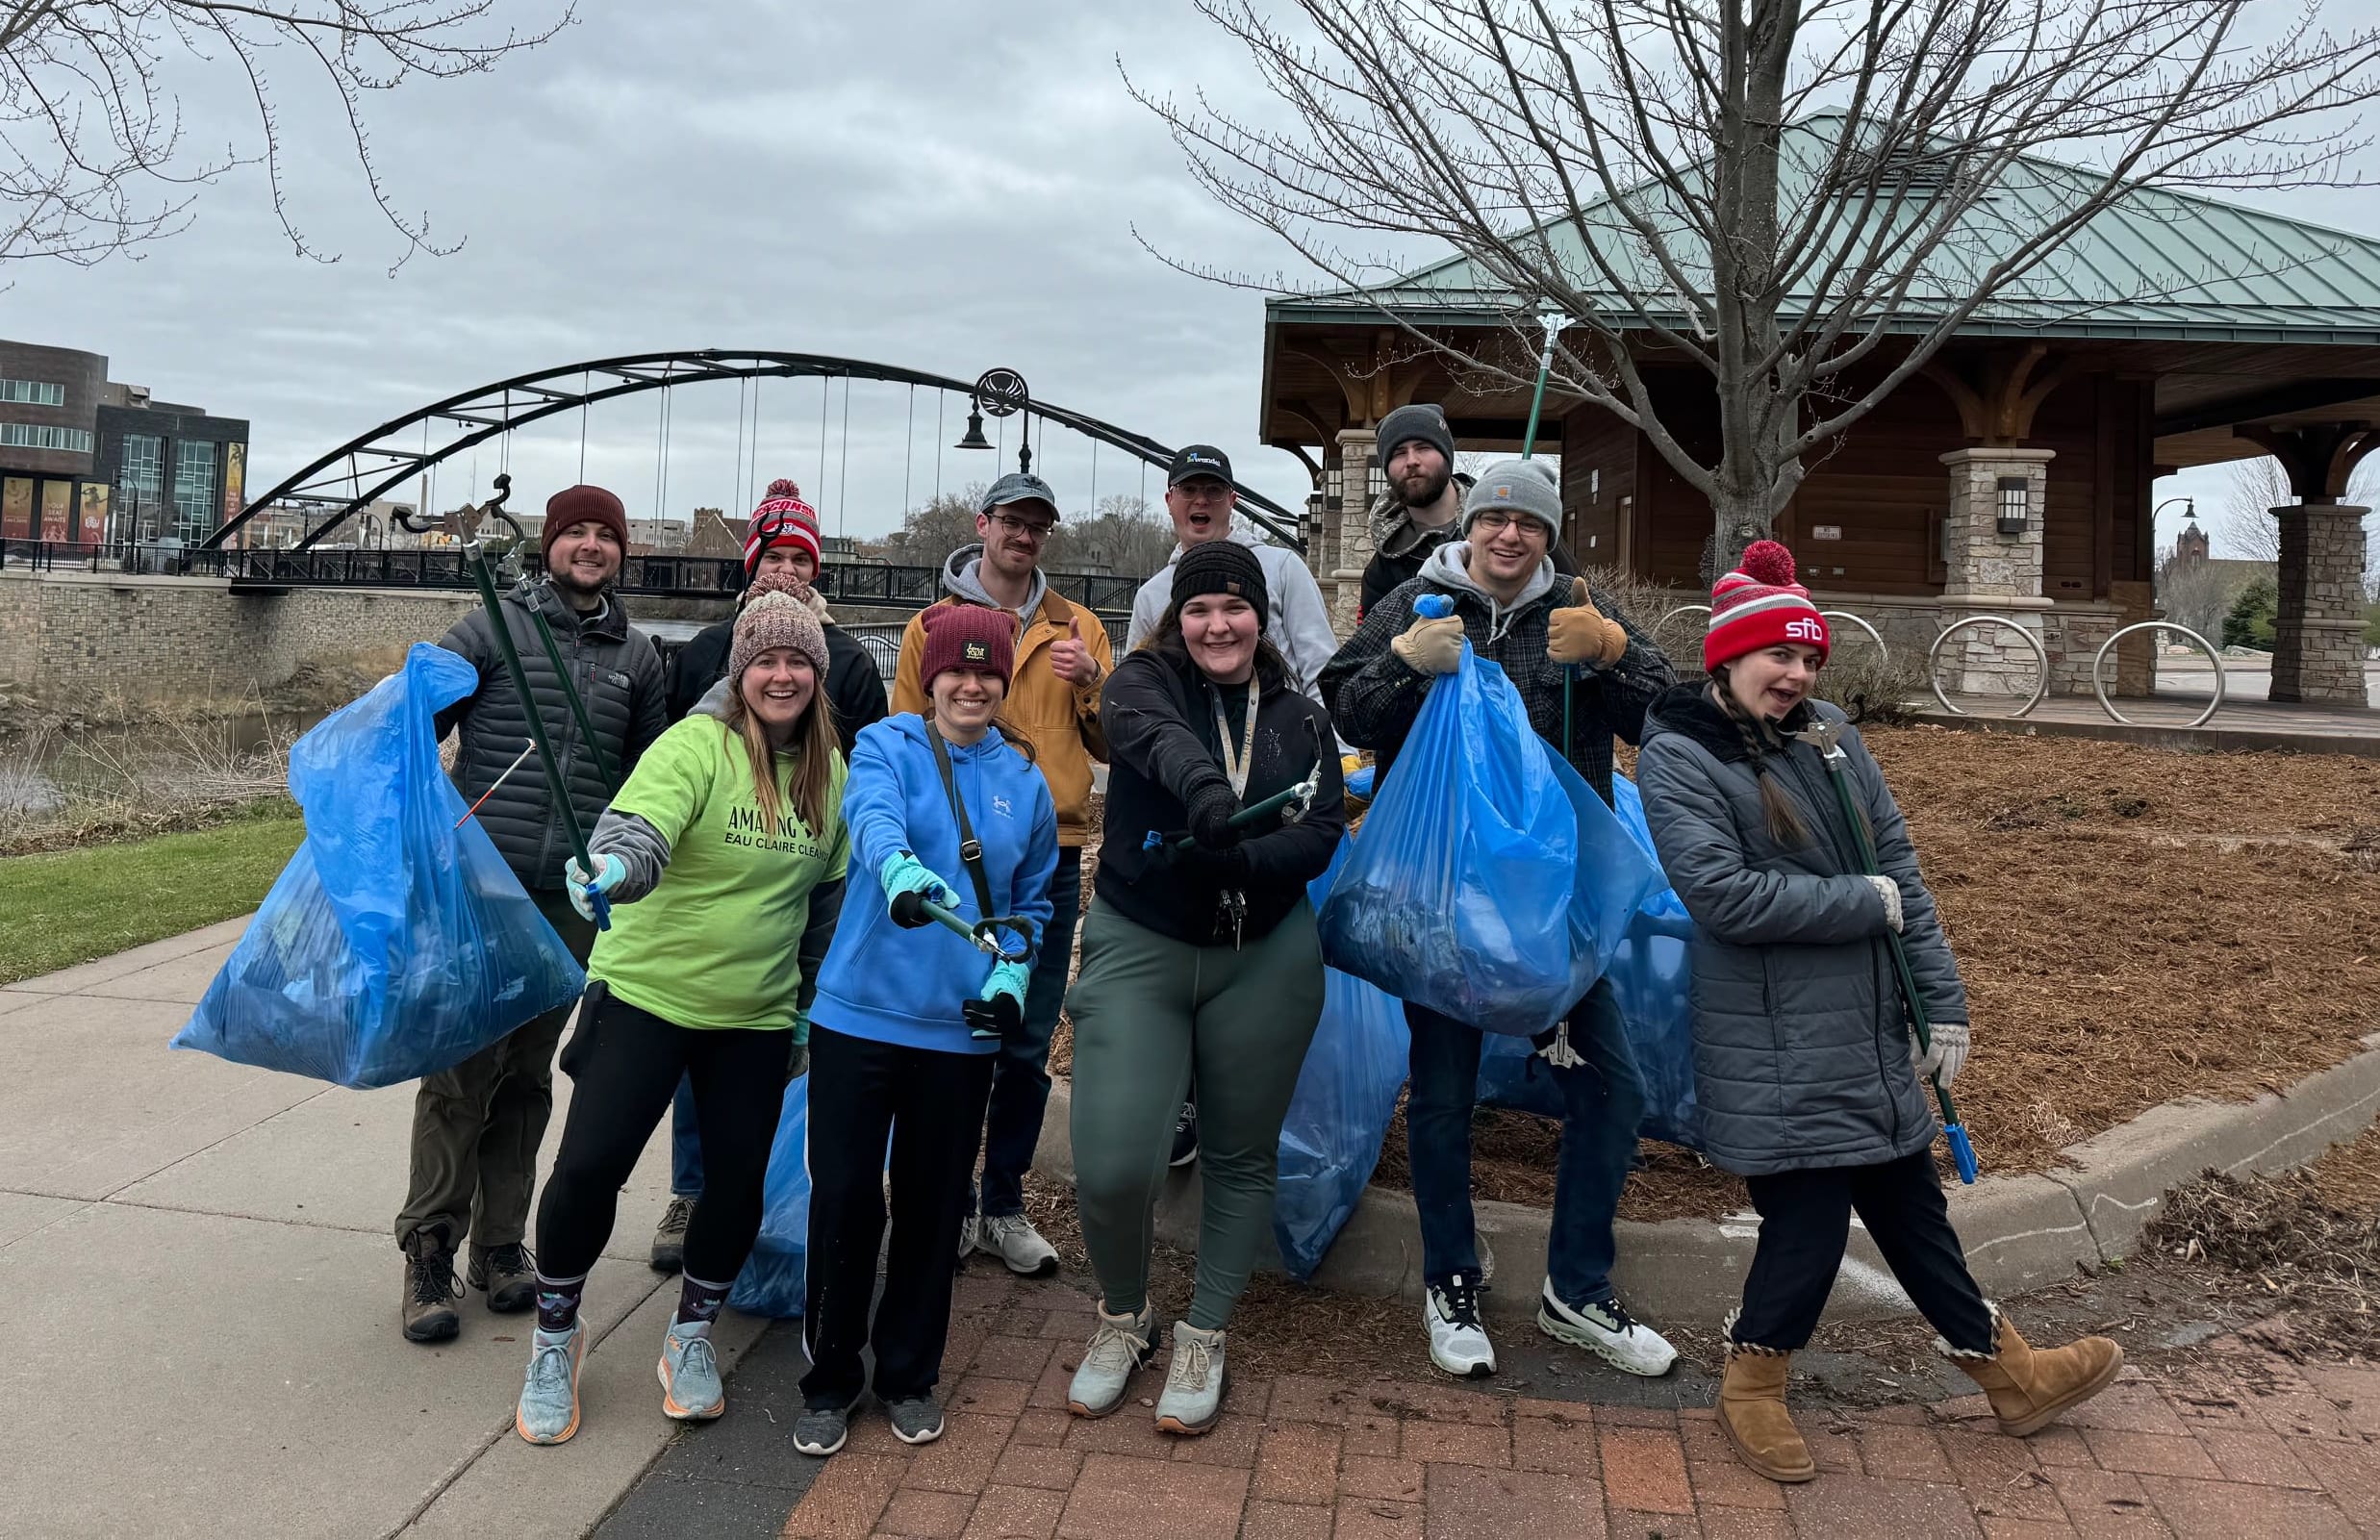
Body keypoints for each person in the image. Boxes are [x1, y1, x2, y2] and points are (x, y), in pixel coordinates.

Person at [1634, 540, 2121, 1484]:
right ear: (1727, 658)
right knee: (1809, 1218)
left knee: (1910, 1207)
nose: (1796, 674)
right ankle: (1751, 1384)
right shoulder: (1680, 754)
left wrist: (1939, 1005)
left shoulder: (1828, 735)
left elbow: (1899, 870)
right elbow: (1724, 896)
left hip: (1863, 1027)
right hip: (1773, 1036)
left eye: (1809, 657)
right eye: (1777, 654)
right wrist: (1860, 902)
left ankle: (2009, 1372)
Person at [1320, 458, 1677, 1382]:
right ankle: (1450, 1280)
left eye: (1530, 523)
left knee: (1613, 1089)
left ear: (1550, 536)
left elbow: (1667, 716)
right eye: (1494, 519)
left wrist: (1612, 652)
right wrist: (1405, 663)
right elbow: (1345, 706)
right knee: (1444, 1094)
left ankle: (1578, 1287)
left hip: (1555, 908)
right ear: (1469, 527)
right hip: (1445, 900)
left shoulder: (1579, 605)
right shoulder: (1417, 601)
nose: (1509, 535)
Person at [510, 570, 850, 1445]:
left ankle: (691, 1333)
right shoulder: (695, 746)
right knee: (589, 1168)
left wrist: (806, 1011)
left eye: (798, 661)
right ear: (741, 671)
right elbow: (642, 830)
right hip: (648, 992)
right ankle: (556, 1336)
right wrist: (614, 869)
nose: (782, 675)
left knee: (733, 1185)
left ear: (817, 674)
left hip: (755, 1013)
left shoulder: (830, 773)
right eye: (765, 660)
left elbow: (824, 907)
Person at [1066, 542, 1345, 1436]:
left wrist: (1242, 859)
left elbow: (1322, 832)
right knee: (1113, 1163)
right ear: (1174, 619)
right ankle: (1124, 1314)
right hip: (1144, 939)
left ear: (1262, 617)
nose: (1217, 625)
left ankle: (1205, 1330)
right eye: (1199, 610)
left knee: (1239, 1151)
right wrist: (1204, 795)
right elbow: (1158, 740)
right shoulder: (1140, 683)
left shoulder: (1301, 718)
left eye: (1235, 608)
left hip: (1263, 951)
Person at [393, 483, 669, 1346]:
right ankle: (429, 1248)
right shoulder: (492, 628)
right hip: (484, 887)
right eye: (574, 532)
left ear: (620, 552)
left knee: (527, 1074)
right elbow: (414, 725)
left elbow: (653, 780)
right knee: (461, 1071)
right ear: (549, 544)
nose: (590, 546)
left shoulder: (639, 657)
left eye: (604, 535)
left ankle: (501, 1244)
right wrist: (430, 819)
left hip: (569, 898)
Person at [794, 604, 1059, 1457]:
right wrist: (900, 867)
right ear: (931, 675)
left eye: (987, 671)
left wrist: (1012, 978)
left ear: (1004, 680)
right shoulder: (887, 744)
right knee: (844, 1198)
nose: (971, 685)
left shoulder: (1026, 782)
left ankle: (908, 1374)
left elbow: (1032, 907)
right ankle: (830, 1377)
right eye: (956, 670)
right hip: (858, 1017)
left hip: (958, 1032)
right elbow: (870, 819)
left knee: (933, 1206)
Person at [651, 479, 886, 1273]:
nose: (786, 570)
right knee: (699, 1040)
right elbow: (667, 755)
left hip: (807, 877)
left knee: (793, 1038)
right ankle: (691, 1190)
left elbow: (871, 770)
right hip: (714, 881)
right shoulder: (705, 651)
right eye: (774, 556)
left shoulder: (847, 663)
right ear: (751, 562)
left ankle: (777, 1189)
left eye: (800, 559)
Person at [888, 470, 1111, 1277]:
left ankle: (1003, 1203)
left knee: (1024, 1038)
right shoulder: (929, 627)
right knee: (946, 1033)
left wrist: (1094, 686)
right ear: (982, 524)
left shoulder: (1078, 628)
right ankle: (944, 1200)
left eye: (1037, 524)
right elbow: (905, 740)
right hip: (953, 856)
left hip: (1048, 857)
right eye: (1011, 520)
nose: (1023, 535)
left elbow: (1113, 744)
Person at [1125, 444, 1339, 1161]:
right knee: (1188, 931)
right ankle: (1186, 1097)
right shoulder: (1154, 593)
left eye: (1213, 490)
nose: (1201, 502)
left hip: (1276, 771)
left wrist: (1328, 753)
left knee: (1271, 932)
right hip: (1193, 784)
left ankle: (1265, 1096)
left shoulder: (1282, 568)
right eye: (1188, 490)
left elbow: (1318, 661)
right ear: (1170, 502)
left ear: (1232, 499)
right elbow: (1143, 689)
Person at [1358, 403, 1575, 623]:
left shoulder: (1521, 528)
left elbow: (1575, 604)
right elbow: (1372, 639)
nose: (1412, 460)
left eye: (1423, 448)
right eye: (1399, 453)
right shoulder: (1384, 567)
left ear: (1446, 455)